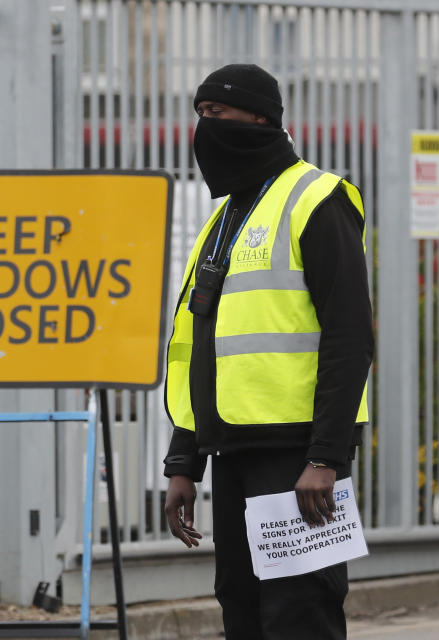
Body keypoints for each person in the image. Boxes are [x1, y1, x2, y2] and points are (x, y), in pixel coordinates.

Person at [162, 63, 374, 640]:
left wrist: (325, 457)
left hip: (299, 457)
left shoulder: (317, 198)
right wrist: (185, 460)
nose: (206, 127)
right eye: (200, 115)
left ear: (262, 119)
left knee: (300, 610)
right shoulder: (222, 222)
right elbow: (201, 350)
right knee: (243, 608)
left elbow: (351, 338)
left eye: (218, 113)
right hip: (231, 451)